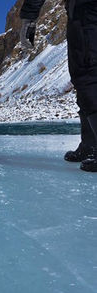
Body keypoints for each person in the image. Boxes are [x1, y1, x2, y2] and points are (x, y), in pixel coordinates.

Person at [20, 0, 97, 172]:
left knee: (88, 74)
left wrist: (29, 18)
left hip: (86, 11)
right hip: (83, 12)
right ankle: (91, 145)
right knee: (83, 76)